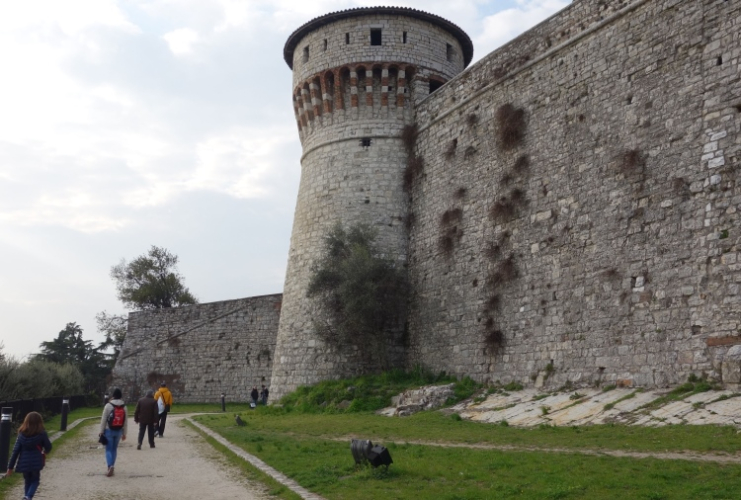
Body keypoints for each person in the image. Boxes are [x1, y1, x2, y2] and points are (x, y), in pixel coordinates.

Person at [7, 411, 52, 500]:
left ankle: (26, 496)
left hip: (24, 461)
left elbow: (15, 451)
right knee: (35, 480)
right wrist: (45, 452)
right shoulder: (42, 433)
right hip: (36, 461)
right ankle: (28, 496)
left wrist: (10, 467)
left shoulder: (21, 435)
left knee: (27, 481)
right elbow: (48, 446)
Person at [99, 387, 128, 477]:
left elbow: (103, 419)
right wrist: (124, 433)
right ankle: (112, 465)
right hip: (118, 430)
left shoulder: (108, 405)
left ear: (113, 395)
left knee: (108, 449)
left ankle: (110, 466)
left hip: (109, 430)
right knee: (114, 449)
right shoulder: (124, 407)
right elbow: (125, 421)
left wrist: (101, 431)